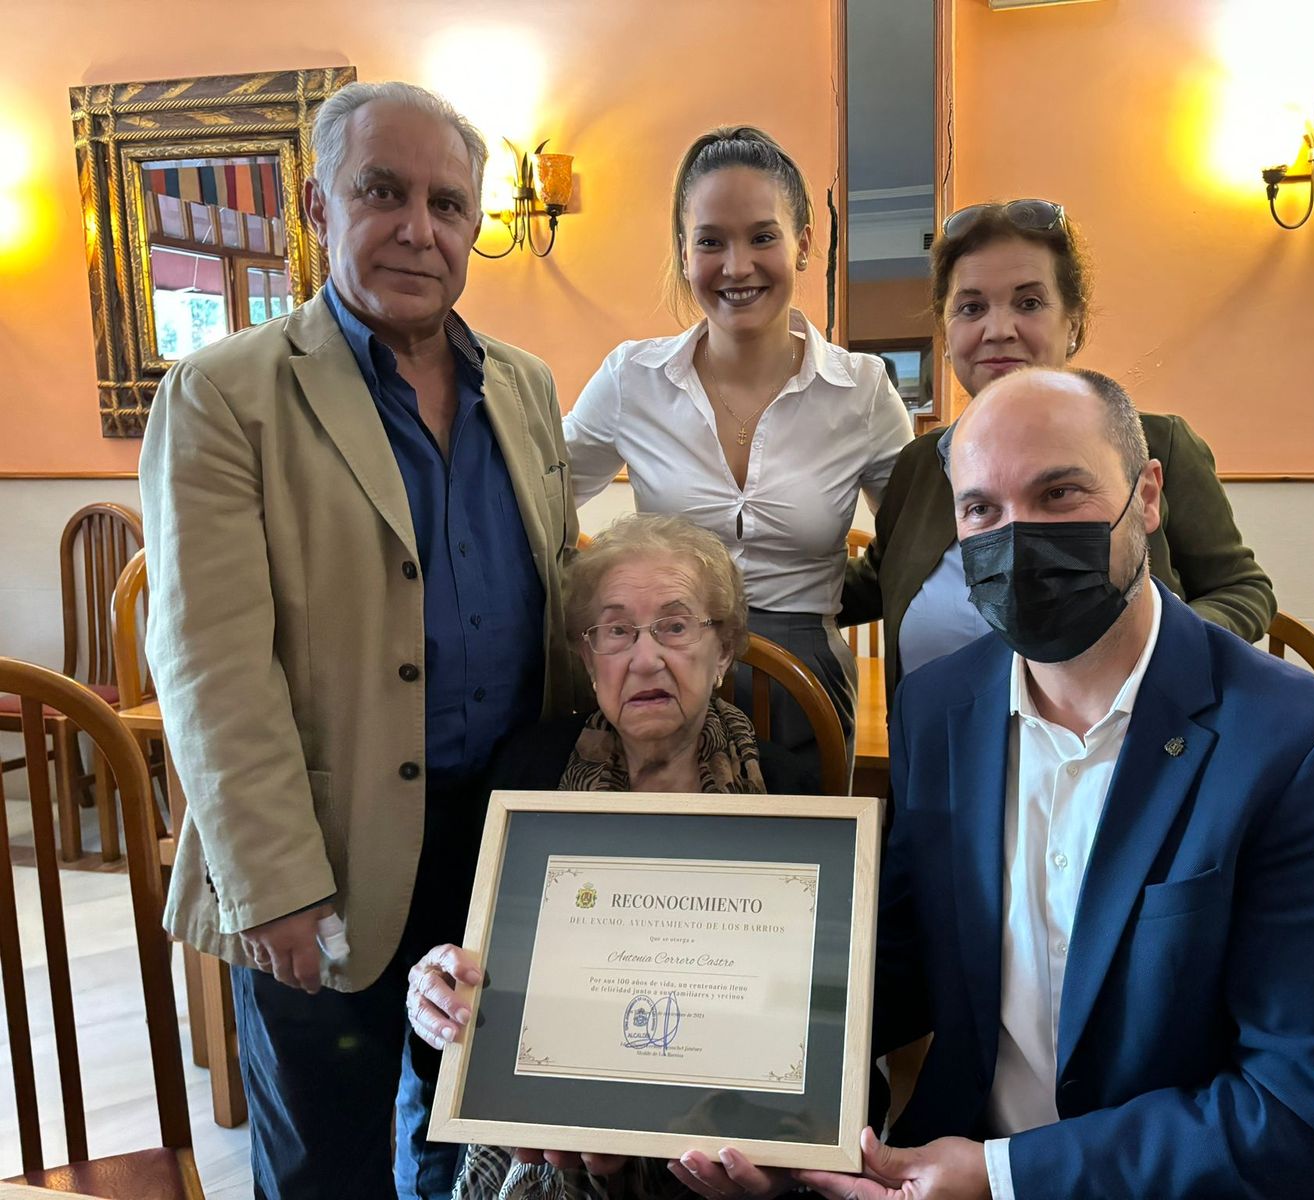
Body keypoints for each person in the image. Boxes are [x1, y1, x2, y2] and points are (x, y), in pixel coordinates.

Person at [671, 367, 1314, 1200]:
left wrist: (1000, 1177)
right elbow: (904, 958)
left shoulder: (1300, 745)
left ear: (1148, 496)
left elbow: (1312, 1110)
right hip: (952, 1151)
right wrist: (706, 1075)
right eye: (982, 509)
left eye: (1061, 494)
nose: (1017, 537)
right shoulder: (940, 707)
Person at [140, 80, 582, 1200]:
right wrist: (276, 881)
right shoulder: (225, 394)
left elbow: (559, 600)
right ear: (316, 205)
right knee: (327, 1162)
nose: (417, 231)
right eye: (382, 192)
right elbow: (209, 666)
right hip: (325, 857)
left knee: (472, 1141)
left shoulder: (522, 387)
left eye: (447, 204)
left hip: (497, 846)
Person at [404, 514, 816, 1200]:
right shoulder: (527, 778)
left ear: (725, 652)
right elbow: (450, 1002)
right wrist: (434, 999)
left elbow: (825, 1020)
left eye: (676, 626)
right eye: (617, 631)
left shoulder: (789, 792)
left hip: (727, 1146)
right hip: (547, 1142)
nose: (645, 658)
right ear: (588, 657)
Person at [563, 126, 913, 767]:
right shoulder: (630, 379)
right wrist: (605, 605)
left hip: (805, 689)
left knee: (799, 864)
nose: (736, 266)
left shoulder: (861, 390)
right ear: (683, 251)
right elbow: (537, 499)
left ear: (803, 243)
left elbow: (915, 543)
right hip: (658, 681)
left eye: (762, 236)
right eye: (710, 242)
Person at [843, 199, 1275, 692]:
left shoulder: (1156, 443)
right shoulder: (922, 464)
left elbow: (1241, 588)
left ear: (1074, 323)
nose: (998, 329)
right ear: (945, 332)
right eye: (971, 307)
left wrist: (1164, 658)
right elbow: (878, 583)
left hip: (1128, 754)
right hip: (942, 762)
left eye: (1029, 303)